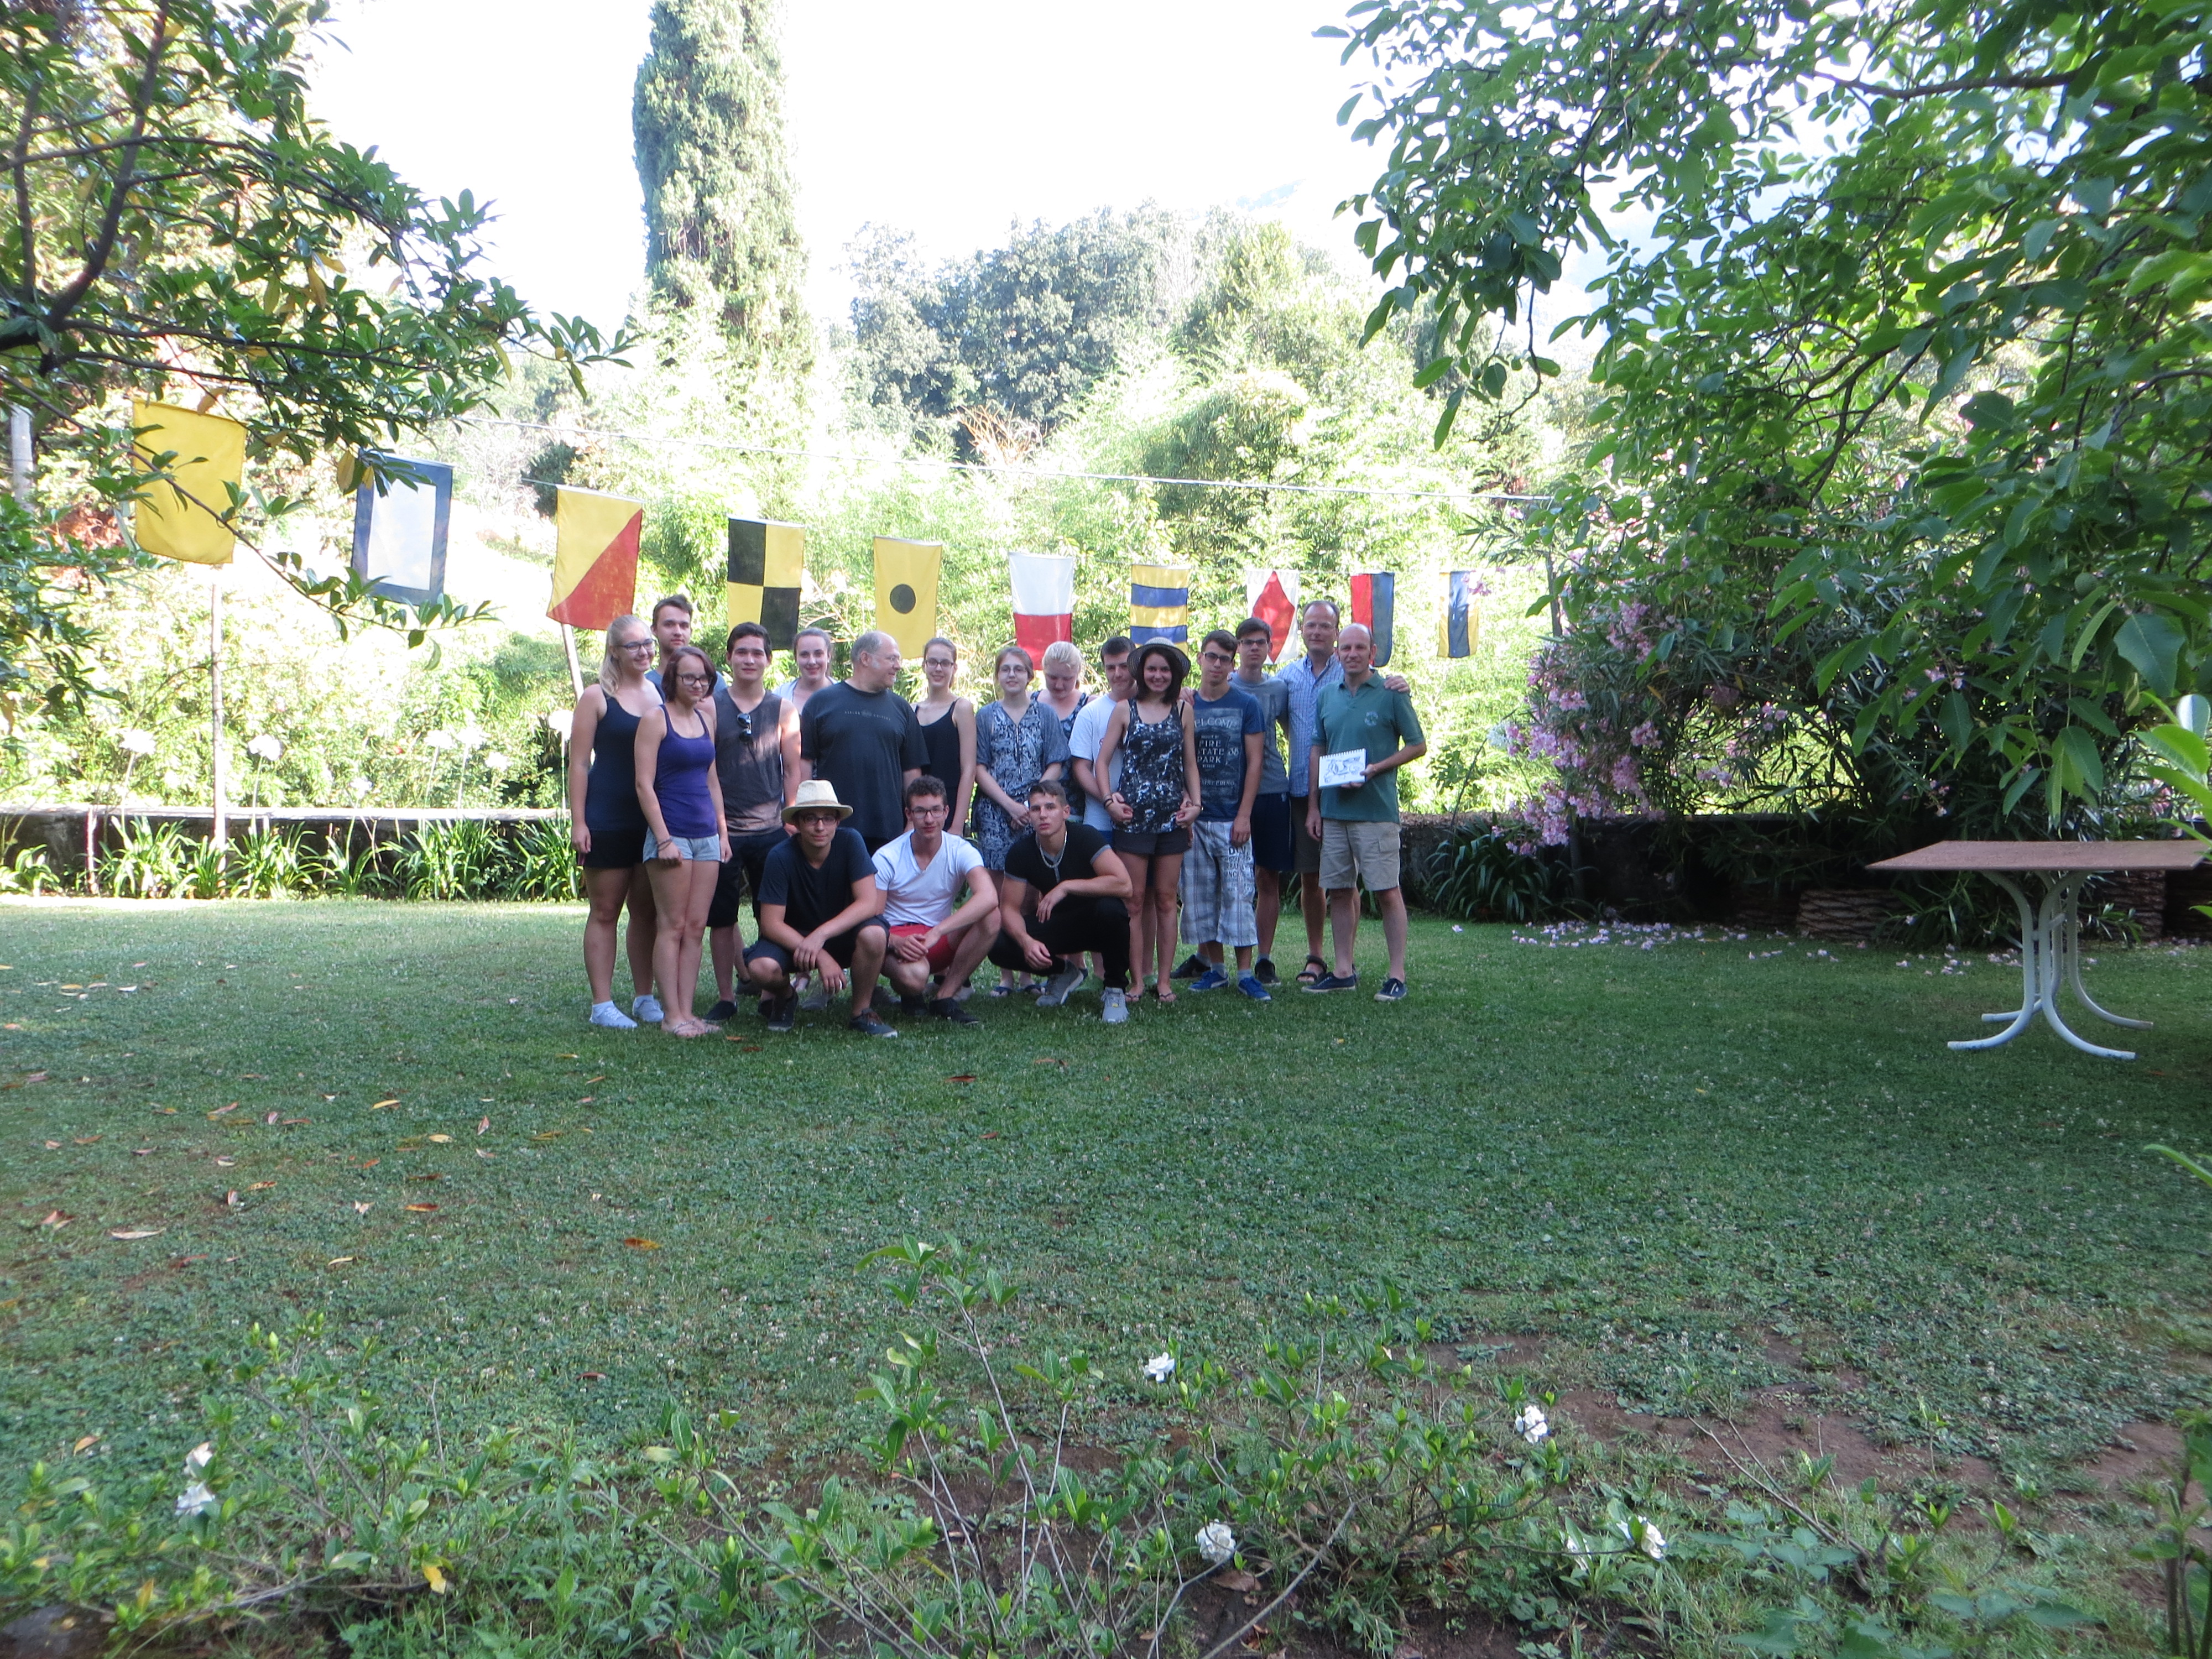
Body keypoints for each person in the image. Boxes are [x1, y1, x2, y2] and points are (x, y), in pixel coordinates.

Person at [1276, 598, 1409, 988]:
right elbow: (1300, 732)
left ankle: (1367, 968)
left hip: (1367, 802)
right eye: (1311, 625)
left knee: (1366, 886)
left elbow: (1410, 735)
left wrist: (1400, 683)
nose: (1318, 631)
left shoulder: (1376, 683)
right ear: (1302, 630)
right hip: (1313, 795)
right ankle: (1327, 962)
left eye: (1326, 626)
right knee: (1321, 881)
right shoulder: (1289, 678)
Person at [1305, 623, 1426, 1001]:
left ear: (1372, 652)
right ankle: (1343, 970)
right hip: (1334, 811)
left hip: (1376, 810)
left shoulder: (1391, 693)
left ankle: (1397, 974)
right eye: (1346, 648)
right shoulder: (1327, 696)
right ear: (1337, 653)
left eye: (1360, 647)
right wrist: (1313, 807)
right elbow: (1317, 749)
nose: (1352, 654)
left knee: (1387, 891)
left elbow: (1417, 745)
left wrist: (1375, 769)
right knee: (1340, 891)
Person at [566, 616, 666, 1029]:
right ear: (614, 651)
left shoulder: (661, 692)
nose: (644, 652)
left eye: (648, 643)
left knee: (647, 913)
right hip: (606, 817)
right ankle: (602, 1004)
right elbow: (578, 764)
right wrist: (579, 822)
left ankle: (645, 997)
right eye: (633, 646)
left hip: (652, 818)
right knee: (605, 911)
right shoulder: (597, 696)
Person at [745, 779, 898, 1037]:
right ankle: (786, 996)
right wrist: (821, 956)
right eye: (811, 819)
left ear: (837, 822)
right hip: (795, 941)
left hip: (843, 934)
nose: (820, 827)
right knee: (761, 968)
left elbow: (868, 903)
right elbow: (771, 924)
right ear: (797, 823)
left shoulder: (851, 842)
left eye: (828, 818)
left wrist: (821, 936)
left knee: (874, 934)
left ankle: (861, 1012)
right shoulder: (780, 856)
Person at [703, 622, 801, 1024]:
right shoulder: (710, 706)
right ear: (729, 657)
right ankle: (726, 996)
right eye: (741, 652)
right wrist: (719, 827)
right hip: (722, 831)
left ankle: (768, 992)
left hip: (771, 830)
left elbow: (793, 769)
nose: (749, 659)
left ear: (768, 660)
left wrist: (791, 816)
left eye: (757, 653)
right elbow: (706, 768)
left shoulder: (783, 709)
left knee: (770, 916)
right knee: (721, 917)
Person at [1095, 639, 1201, 1004]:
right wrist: (1109, 800)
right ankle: (1137, 980)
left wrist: (1196, 805)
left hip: (1173, 818)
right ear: (1142, 672)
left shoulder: (1184, 710)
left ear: (1174, 675)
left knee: (1167, 900)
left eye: (1165, 670)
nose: (1158, 675)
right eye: (1152, 669)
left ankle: (1165, 981)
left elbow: (1190, 763)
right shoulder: (1124, 709)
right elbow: (1101, 762)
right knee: (1134, 901)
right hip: (1132, 819)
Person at [634, 644, 728, 1037]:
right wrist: (663, 839)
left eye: (704, 678)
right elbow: (644, 784)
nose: (697, 684)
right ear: (672, 678)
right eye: (689, 677)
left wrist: (723, 833)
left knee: (696, 926)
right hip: (671, 836)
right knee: (671, 926)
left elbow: (712, 780)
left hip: (707, 836)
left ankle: (688, 1013)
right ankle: (671, 1016)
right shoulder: (656, 719)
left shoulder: (707, 718)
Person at [990, 779, 1135, 1023]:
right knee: (998, 943)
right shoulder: (1021, 852)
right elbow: (1009, 909)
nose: (1043, 815)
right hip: (1058, 925)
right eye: (1036, 809)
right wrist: (1026, 941)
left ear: (1066, 812)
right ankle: (1064, 972)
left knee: (1112, 910)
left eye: (1050, 807)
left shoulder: (1086, 837)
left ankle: (1114, 990)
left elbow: (1124, 885)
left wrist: (1066, 887)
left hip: (1097, 922)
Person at [973, 644, 1070, 993]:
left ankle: (1028, 973)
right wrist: (1010, 806)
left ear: (1030, 675)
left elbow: (1056, 762)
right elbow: (979, 768)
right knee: (1002, 895)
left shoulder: (1046, 715)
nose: (1012, 675)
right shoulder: (985, 716)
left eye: (1018, 669)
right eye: (1005, 669)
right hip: (995, 813)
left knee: (1030, 895)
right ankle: (1006, 975)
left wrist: (1031, 807)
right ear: (998, 676)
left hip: (1037, 814)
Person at [1180, 629, 1268, 1000]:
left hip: (1232, 818)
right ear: (1200, 658)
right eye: (1211, 657)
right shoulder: (1185, 705)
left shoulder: (1247, 705)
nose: (1217, 665)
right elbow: (1179, 762)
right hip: (1197, 820)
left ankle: (1246, 973)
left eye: (1225, 660)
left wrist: (1244, 815)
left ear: (1233, 665)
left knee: (1238, 895)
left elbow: (1255, 762)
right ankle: (1216, 970)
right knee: (1202, 897)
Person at [873, 774, 1000, 1025]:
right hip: (898, 939)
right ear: (909, 814)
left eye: (935, 810)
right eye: (921, 812)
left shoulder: (960, 850)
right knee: (915, 978)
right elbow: (872, 919)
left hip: (938, 936)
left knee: (992, 916)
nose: (929, 819)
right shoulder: (887, 856)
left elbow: (989, 896)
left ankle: (945, 996)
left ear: (946, 812)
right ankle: (910, 992)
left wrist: (938, 931)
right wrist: (895, 942)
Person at [798, 629, 928, 852]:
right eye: (892, 659)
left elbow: (912, 771)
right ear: (866, 659)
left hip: (890, 834)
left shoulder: (902, 709)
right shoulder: (821, 703)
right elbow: (804, 763)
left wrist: (912, 822)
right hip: (832, 830)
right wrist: (804, 815)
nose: (898, 666)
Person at [1234, 615, 1296, 983]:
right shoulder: (1223, 684)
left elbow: (1292, 731)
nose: (1254, 648)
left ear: (1270, 648)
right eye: (1247, 642)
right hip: (1229, 793)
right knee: (1224, 877)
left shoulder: (1279, 688)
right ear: (1238, 648)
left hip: (1272, 788)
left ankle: (1264, 958)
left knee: (1267, 876)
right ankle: (1210, 958)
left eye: (1261, 642)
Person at [915, 637, 976, 838]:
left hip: (948, 808)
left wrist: (958, 824)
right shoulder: (912, 710)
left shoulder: (961, 708)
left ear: (954, 668)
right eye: (933, 662)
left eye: (945, 663)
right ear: (924, 666)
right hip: (918, 809)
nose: (938, 669)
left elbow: (969, 770)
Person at [1037, 640, 1091, 813]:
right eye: (1052, 677)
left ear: (1078, 673)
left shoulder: (1090, 705)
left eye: (1067, 679)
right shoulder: (1029, 702)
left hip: (1076, 804)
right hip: (1035, 805)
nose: (1059, 685)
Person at [644, 594, 716, 695]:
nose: (678, 632)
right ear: (654, 630)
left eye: (684, 626)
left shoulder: (713, 683)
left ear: (691, 631)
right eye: (669, 625)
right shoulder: (644, 686)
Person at [774, 626, 834, 716]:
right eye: (804, 655)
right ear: (796, 658)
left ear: (829, 656)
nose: (812, 662)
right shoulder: (780, 696)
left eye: (818, 654)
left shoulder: (845, 696)